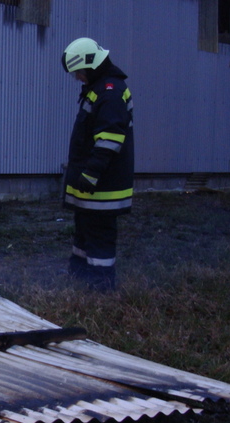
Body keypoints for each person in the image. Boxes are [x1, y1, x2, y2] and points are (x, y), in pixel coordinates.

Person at [60, 38, 134, 291]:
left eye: (79, 72)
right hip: (93, 188)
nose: (77, 78)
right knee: (84, 233)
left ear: (91, 65)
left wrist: (91, 174)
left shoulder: (110, 92)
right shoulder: (99, 88)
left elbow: (109, 139)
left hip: (103, 188)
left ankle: (101, 288)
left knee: (99, 236)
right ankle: (80, 279)